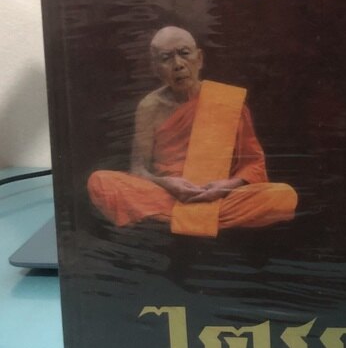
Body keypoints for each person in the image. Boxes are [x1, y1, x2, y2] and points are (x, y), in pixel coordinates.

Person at [87, 26, 298, 237]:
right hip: (168, 194)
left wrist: (226, 186)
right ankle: (200, 219)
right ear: (155, 68)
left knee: (283, 195)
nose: (178, 64)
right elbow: (139, 169)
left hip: (219, 195)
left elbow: (253, 164)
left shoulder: (227, 100)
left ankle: (176, 219)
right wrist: (167, 183)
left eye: (184, 53)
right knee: (101, 182)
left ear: (200, 58)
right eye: (166, 58)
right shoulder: (149, 107)